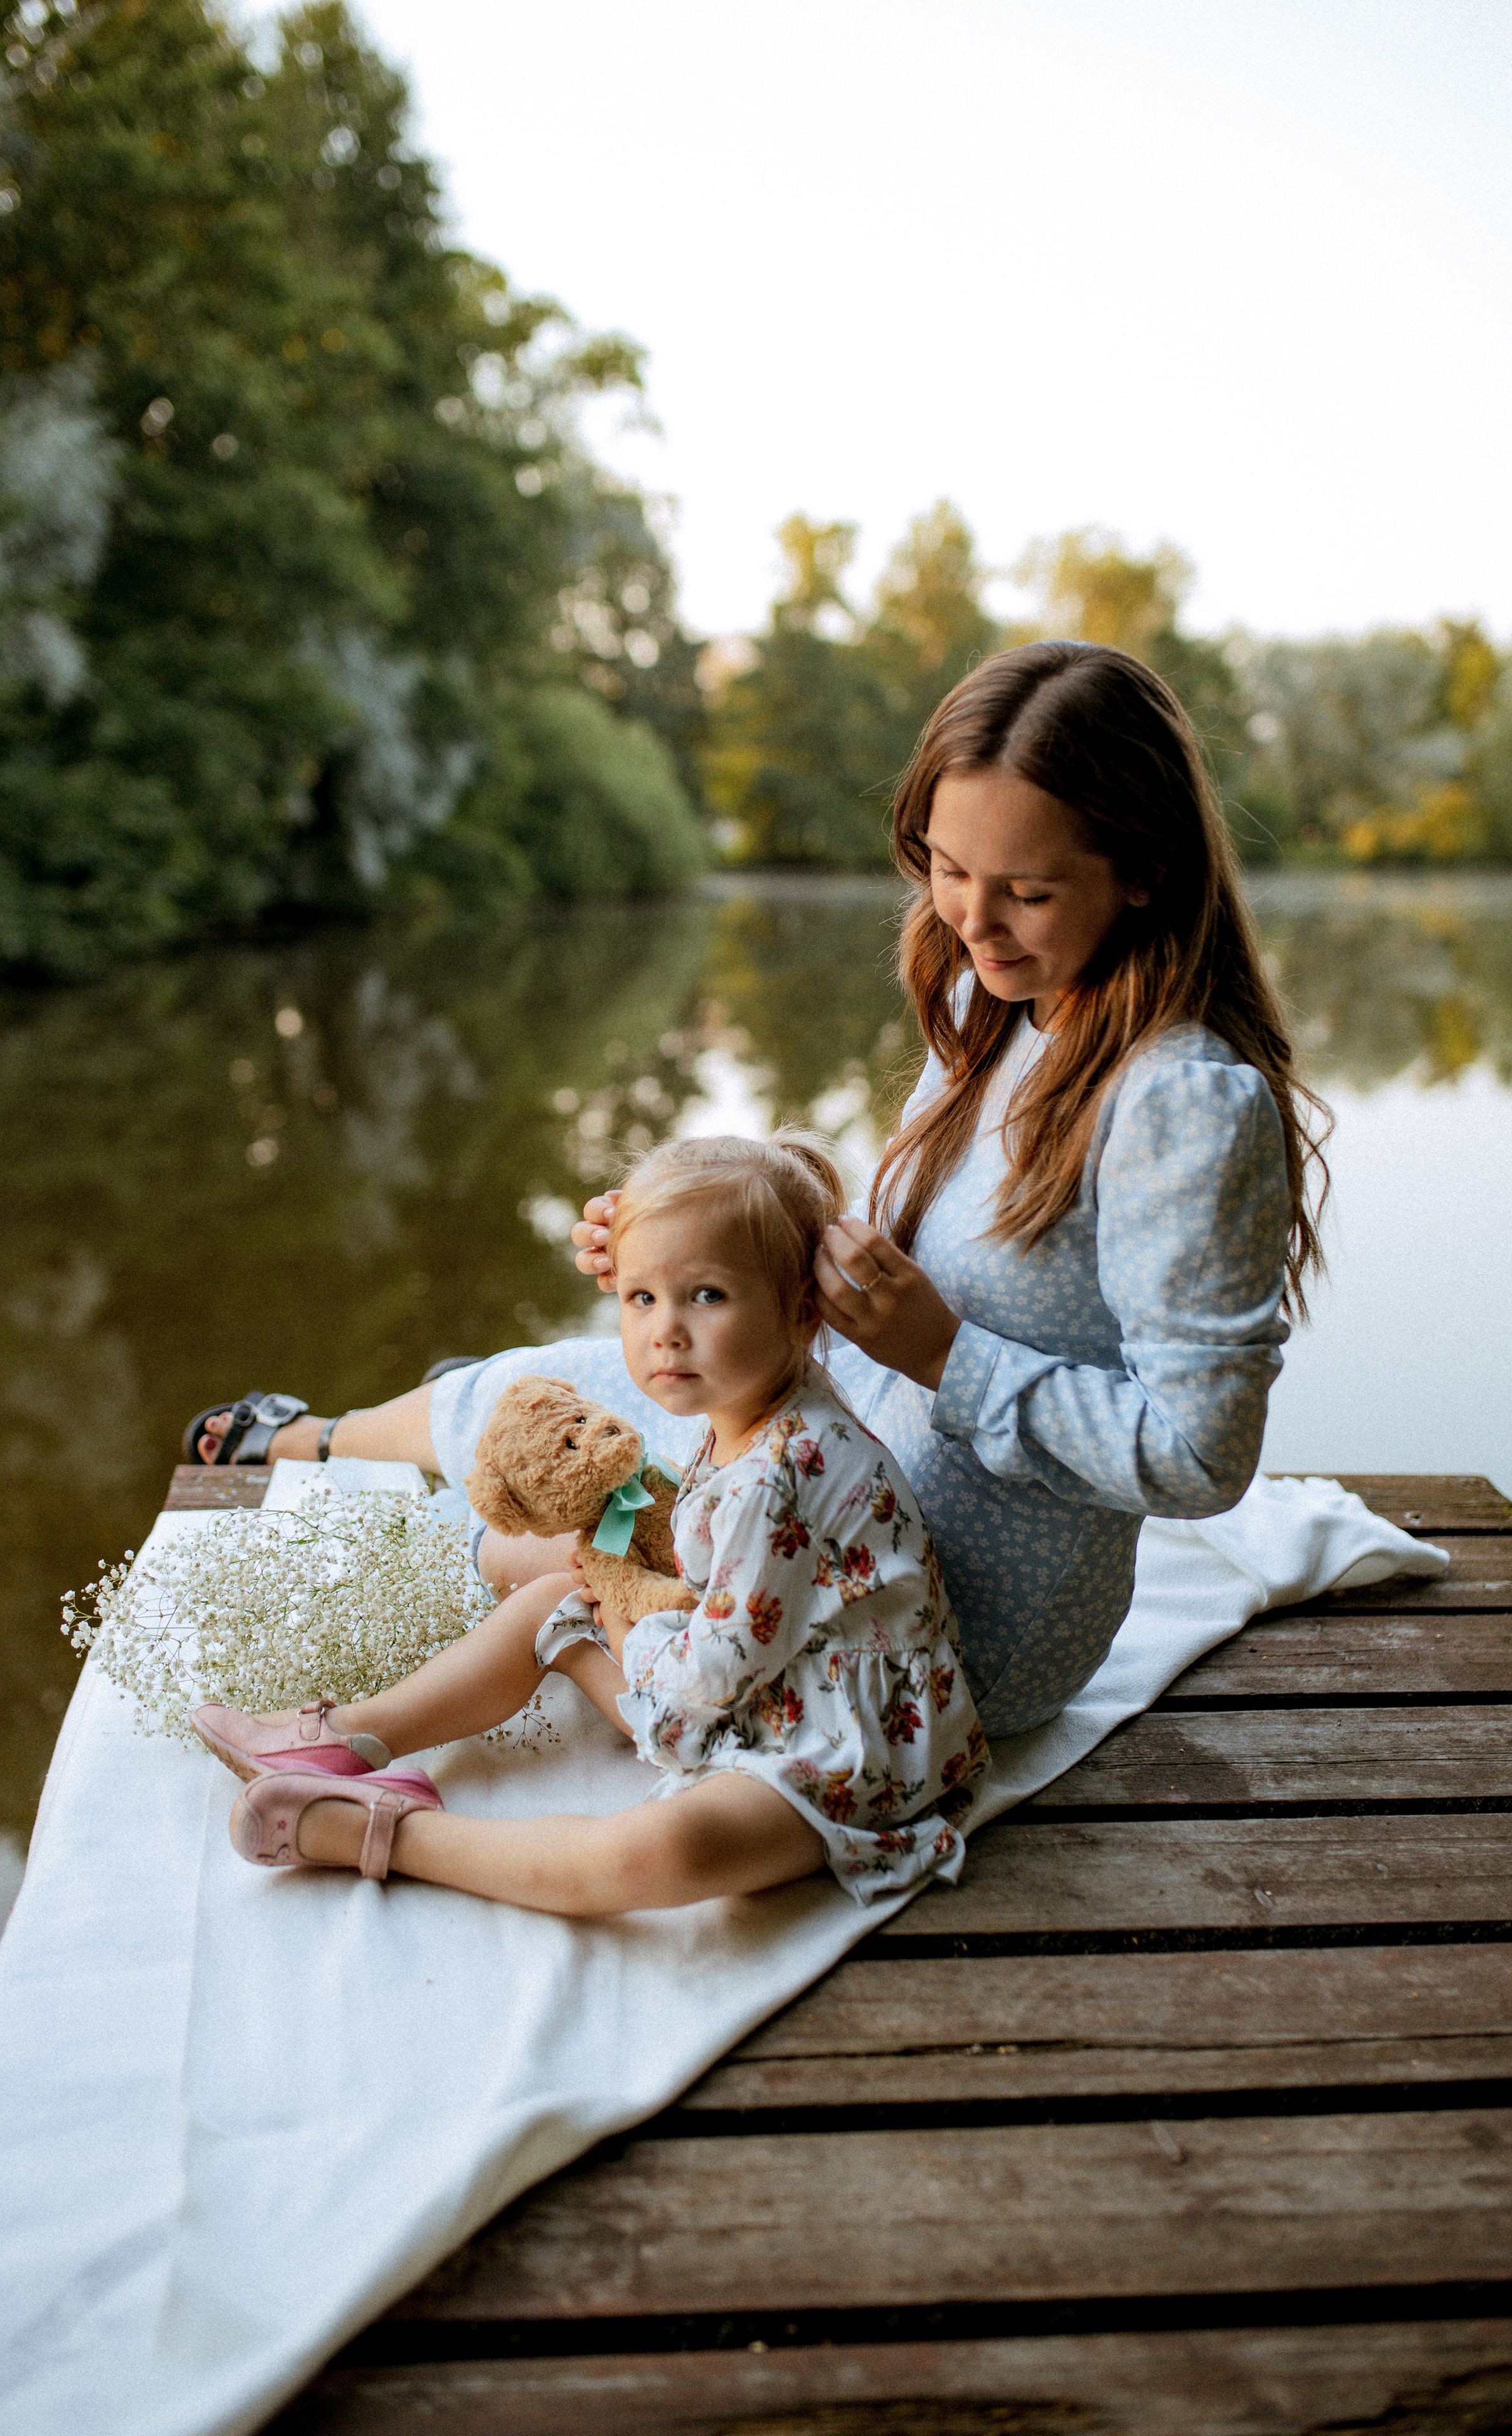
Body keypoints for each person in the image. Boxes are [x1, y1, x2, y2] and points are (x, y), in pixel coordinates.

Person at [189, 642, 1326, 1739]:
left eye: (1024, 890)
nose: (970, 922)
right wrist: (684, 1253)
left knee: (521, 1526)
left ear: (1146, 874)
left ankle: (387, 1562)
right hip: (824, 1459)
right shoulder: (1003, 1006)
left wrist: (944, 1356)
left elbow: (1202, 1460)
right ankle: (310, 1443)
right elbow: (892, 1253)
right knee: (560, 1384)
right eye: (945, 868)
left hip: (932, 1615)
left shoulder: (1182, 1105)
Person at [204, 1135, 988, 1915]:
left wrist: (620, 1621)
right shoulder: (755, 1398)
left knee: (653, 1855)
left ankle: (380, 1832)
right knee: (553, 1595)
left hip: (844, 1750)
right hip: (767, 1679)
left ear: (802, 1309)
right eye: (642, 1298)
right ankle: (352, 1737)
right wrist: (678, 1247)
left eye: (707, 1297)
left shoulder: (779, 1476)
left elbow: (710, 1679)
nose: (664, 1332)